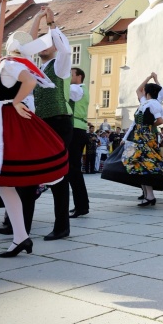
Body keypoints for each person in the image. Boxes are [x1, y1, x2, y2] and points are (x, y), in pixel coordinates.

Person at [0, 31, 68, 262]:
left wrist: (16, 102)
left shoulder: (9, 62)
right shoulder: (15, 64)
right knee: (3, 186)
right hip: (0, 121)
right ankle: (20, 237)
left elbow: (26, 83)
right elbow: (11, 86)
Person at [29, 6, 74, 241]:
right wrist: (36, 17)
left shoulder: (60, 65)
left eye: (48, 42)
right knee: (38, 173)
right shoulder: (37, 69)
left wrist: (51, 23)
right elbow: (25, 46)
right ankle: (19, 223)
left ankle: (62, 226)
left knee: (59, 175)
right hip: (43, 124)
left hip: (59, 122)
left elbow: (65, 49)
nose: (42, 45)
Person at [101, 73, 163, 204]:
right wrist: (127, 137)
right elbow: (138, 93)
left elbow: (160, 120)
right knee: (138, 164)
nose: (142, 91)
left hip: (145, 138)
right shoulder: (145, 103)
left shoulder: (154, 104)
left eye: (145, 89)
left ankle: (149, 195)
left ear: (148, 92)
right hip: (138, 137)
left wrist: (147, 126)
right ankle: (148, 195)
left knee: (143, 164)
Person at [68, 67, 90, 218]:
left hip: (75, 129)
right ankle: (81, 204)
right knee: (74, 169)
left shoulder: (76, 88)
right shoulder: (81, 89)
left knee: (73, 169)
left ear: (79, 77)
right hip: (78, 129)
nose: (68, 76)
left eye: (71, 74)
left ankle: (81, 206)